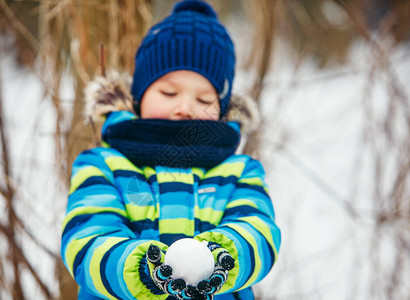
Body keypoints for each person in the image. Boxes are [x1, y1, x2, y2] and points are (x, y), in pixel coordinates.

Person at [61, 1, 281, 299]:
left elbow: (258, 232)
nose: (185, 108)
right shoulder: (103, 165)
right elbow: (87, 239)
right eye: (169, 92)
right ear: (139, 95)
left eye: (204, 98)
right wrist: (144, 270)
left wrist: (220, 258)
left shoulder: (240, 171)